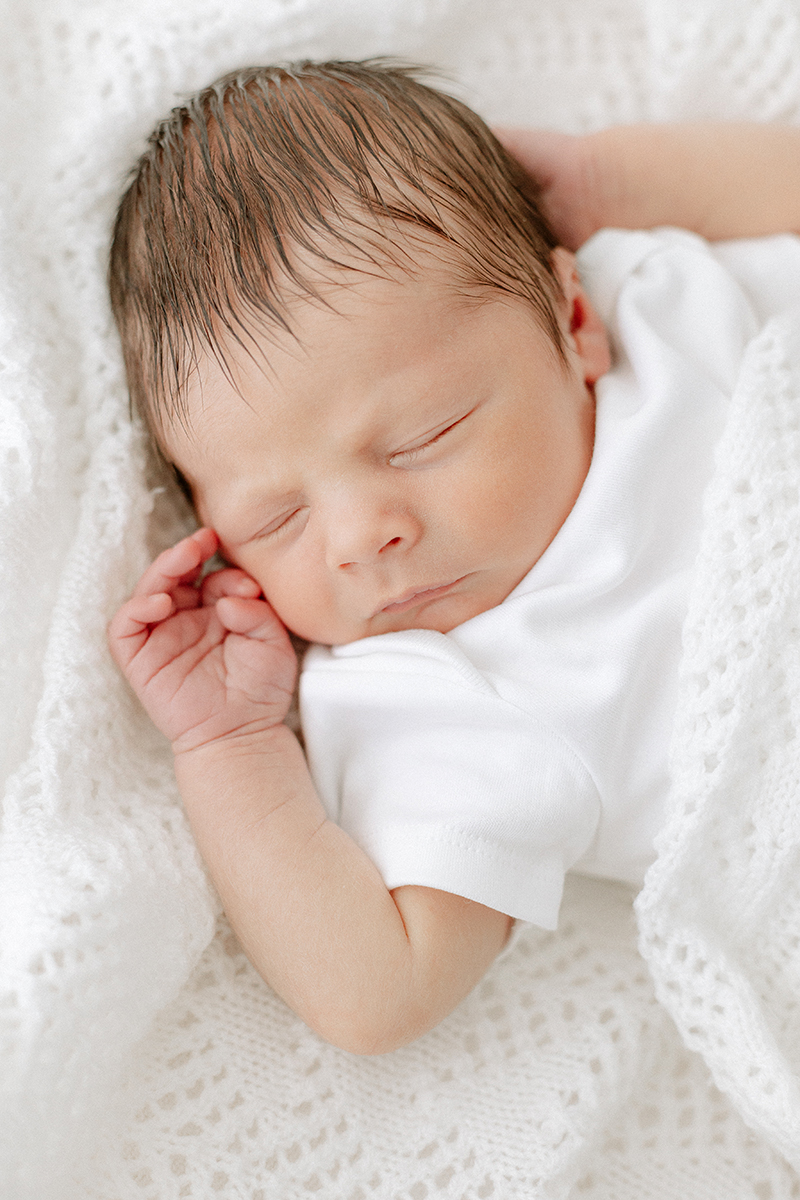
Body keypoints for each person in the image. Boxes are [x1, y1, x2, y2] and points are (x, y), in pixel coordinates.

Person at [107, 60, 800, 1055]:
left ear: (571, 323)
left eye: (422, 437)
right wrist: (229, 748)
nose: (358, 538)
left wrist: (615, 181)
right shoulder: (438, 692)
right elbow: (373, 995)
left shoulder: (656, 303)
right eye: (276, 519)